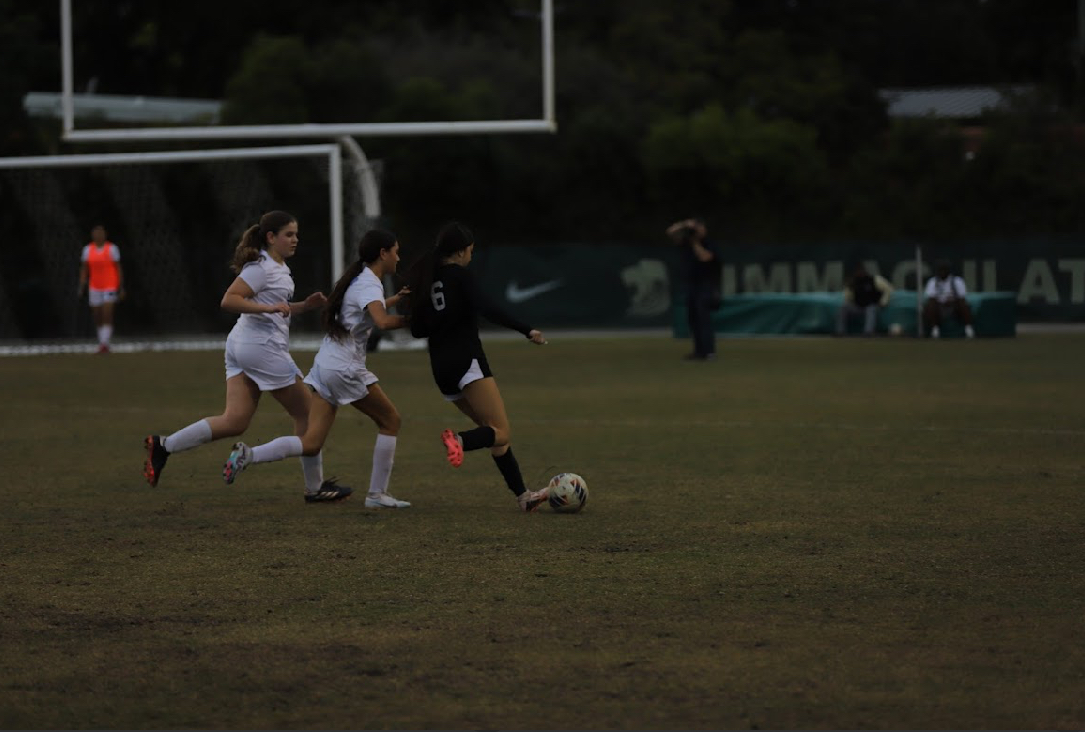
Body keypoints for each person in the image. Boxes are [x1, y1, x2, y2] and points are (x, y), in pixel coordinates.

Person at [142, 210, 341, 502]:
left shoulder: (276, 266)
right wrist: (269, 309)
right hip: (261, 349)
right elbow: (230, 299)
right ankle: (315, 488)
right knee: (309, 415)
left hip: (242, 346)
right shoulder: (261, 267)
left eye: (296, 234)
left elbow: (274, 306)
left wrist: (301, 306)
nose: (295, 240)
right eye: (289, 234)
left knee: (234, 420)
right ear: (271, 237)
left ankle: (163, 445)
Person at [220, 228, 413, 509]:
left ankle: (249, 455)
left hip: (326, 364)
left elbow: (366, 311)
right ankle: (377, 495)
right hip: (345, 368)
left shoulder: (361, 279)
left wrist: (398, 299)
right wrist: (416, 321)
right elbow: (382, 322)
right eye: (395, 251)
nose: (398, 257)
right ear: (382, 254)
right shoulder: (370, 284)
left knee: (310, 442)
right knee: (390, 421)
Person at [405, 221, 550, 513]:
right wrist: (526, 329)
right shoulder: (459, 276)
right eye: (471, 250)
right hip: (466, 362)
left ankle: (524, 497)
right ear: (460, 252)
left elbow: (417, 330)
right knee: (501, 431)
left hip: (441, 369)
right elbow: (489, 309)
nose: (472, 255)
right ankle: (458, 440)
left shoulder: (428, 280)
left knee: (491, 430)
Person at [665, 217, 721, 361]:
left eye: (699, 227)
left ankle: (709, 352)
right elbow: (670, 232)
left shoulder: (708, 243)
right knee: (693, 319)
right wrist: (684, 224)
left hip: (705, 285)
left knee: (704, 318)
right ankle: (699, 351)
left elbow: (705, 257)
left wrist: (696, 243)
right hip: (691, 285)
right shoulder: (686, 242)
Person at [77, 224, 125, 353]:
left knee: (107, 313)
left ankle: (104, 343)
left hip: (110, 284)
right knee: (97, 314)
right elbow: (84, 269)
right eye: (96, 233)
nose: (98, 235)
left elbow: (118, 268)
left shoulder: (112, 248)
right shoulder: (87, 250)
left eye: (101, 233)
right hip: (95, 286)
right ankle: (102, 340)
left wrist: (121, 287)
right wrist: (82, 285)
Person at [835, 262, 893, 337]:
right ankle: (840, 331)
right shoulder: (853, 282)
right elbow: (847, 297)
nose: (859, 273)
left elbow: (888, 290)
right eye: (857, 271)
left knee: (871, 308)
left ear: (864, 271)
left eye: (860, 270)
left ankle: (868, 332)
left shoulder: (874, 280)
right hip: (858, 307)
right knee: (844, 307)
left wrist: (883, 302)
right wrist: (850, 299)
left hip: (873, 306)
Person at [923, 260, 975, 339]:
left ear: (949, 271)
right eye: (940, 270)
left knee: (964, 305)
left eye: (944, 270)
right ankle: (935, 330)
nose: (942, 272)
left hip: (954, 306)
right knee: (930, 306)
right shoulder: (932, 281)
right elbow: (931, 298)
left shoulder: (957, 281)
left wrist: (952, 301)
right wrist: (942, 302)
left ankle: (968, 329)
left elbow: (962, 298)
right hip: (939, 307)